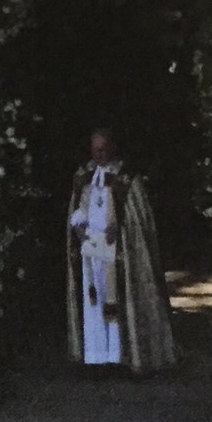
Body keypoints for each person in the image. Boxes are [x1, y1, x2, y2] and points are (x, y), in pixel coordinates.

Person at [66, 128, 177, 375]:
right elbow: (77, 208)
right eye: (95, 149)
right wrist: (78, 227)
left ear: (112, 148)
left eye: (103, 148)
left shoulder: (127, 179)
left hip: (119, 254)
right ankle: (96, 358)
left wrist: (121, 229)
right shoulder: (83, 177)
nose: (99, 154)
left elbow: (138, 220)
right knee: (94, 303)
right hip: (91, 252)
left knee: (116, 301)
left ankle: (120, 356)